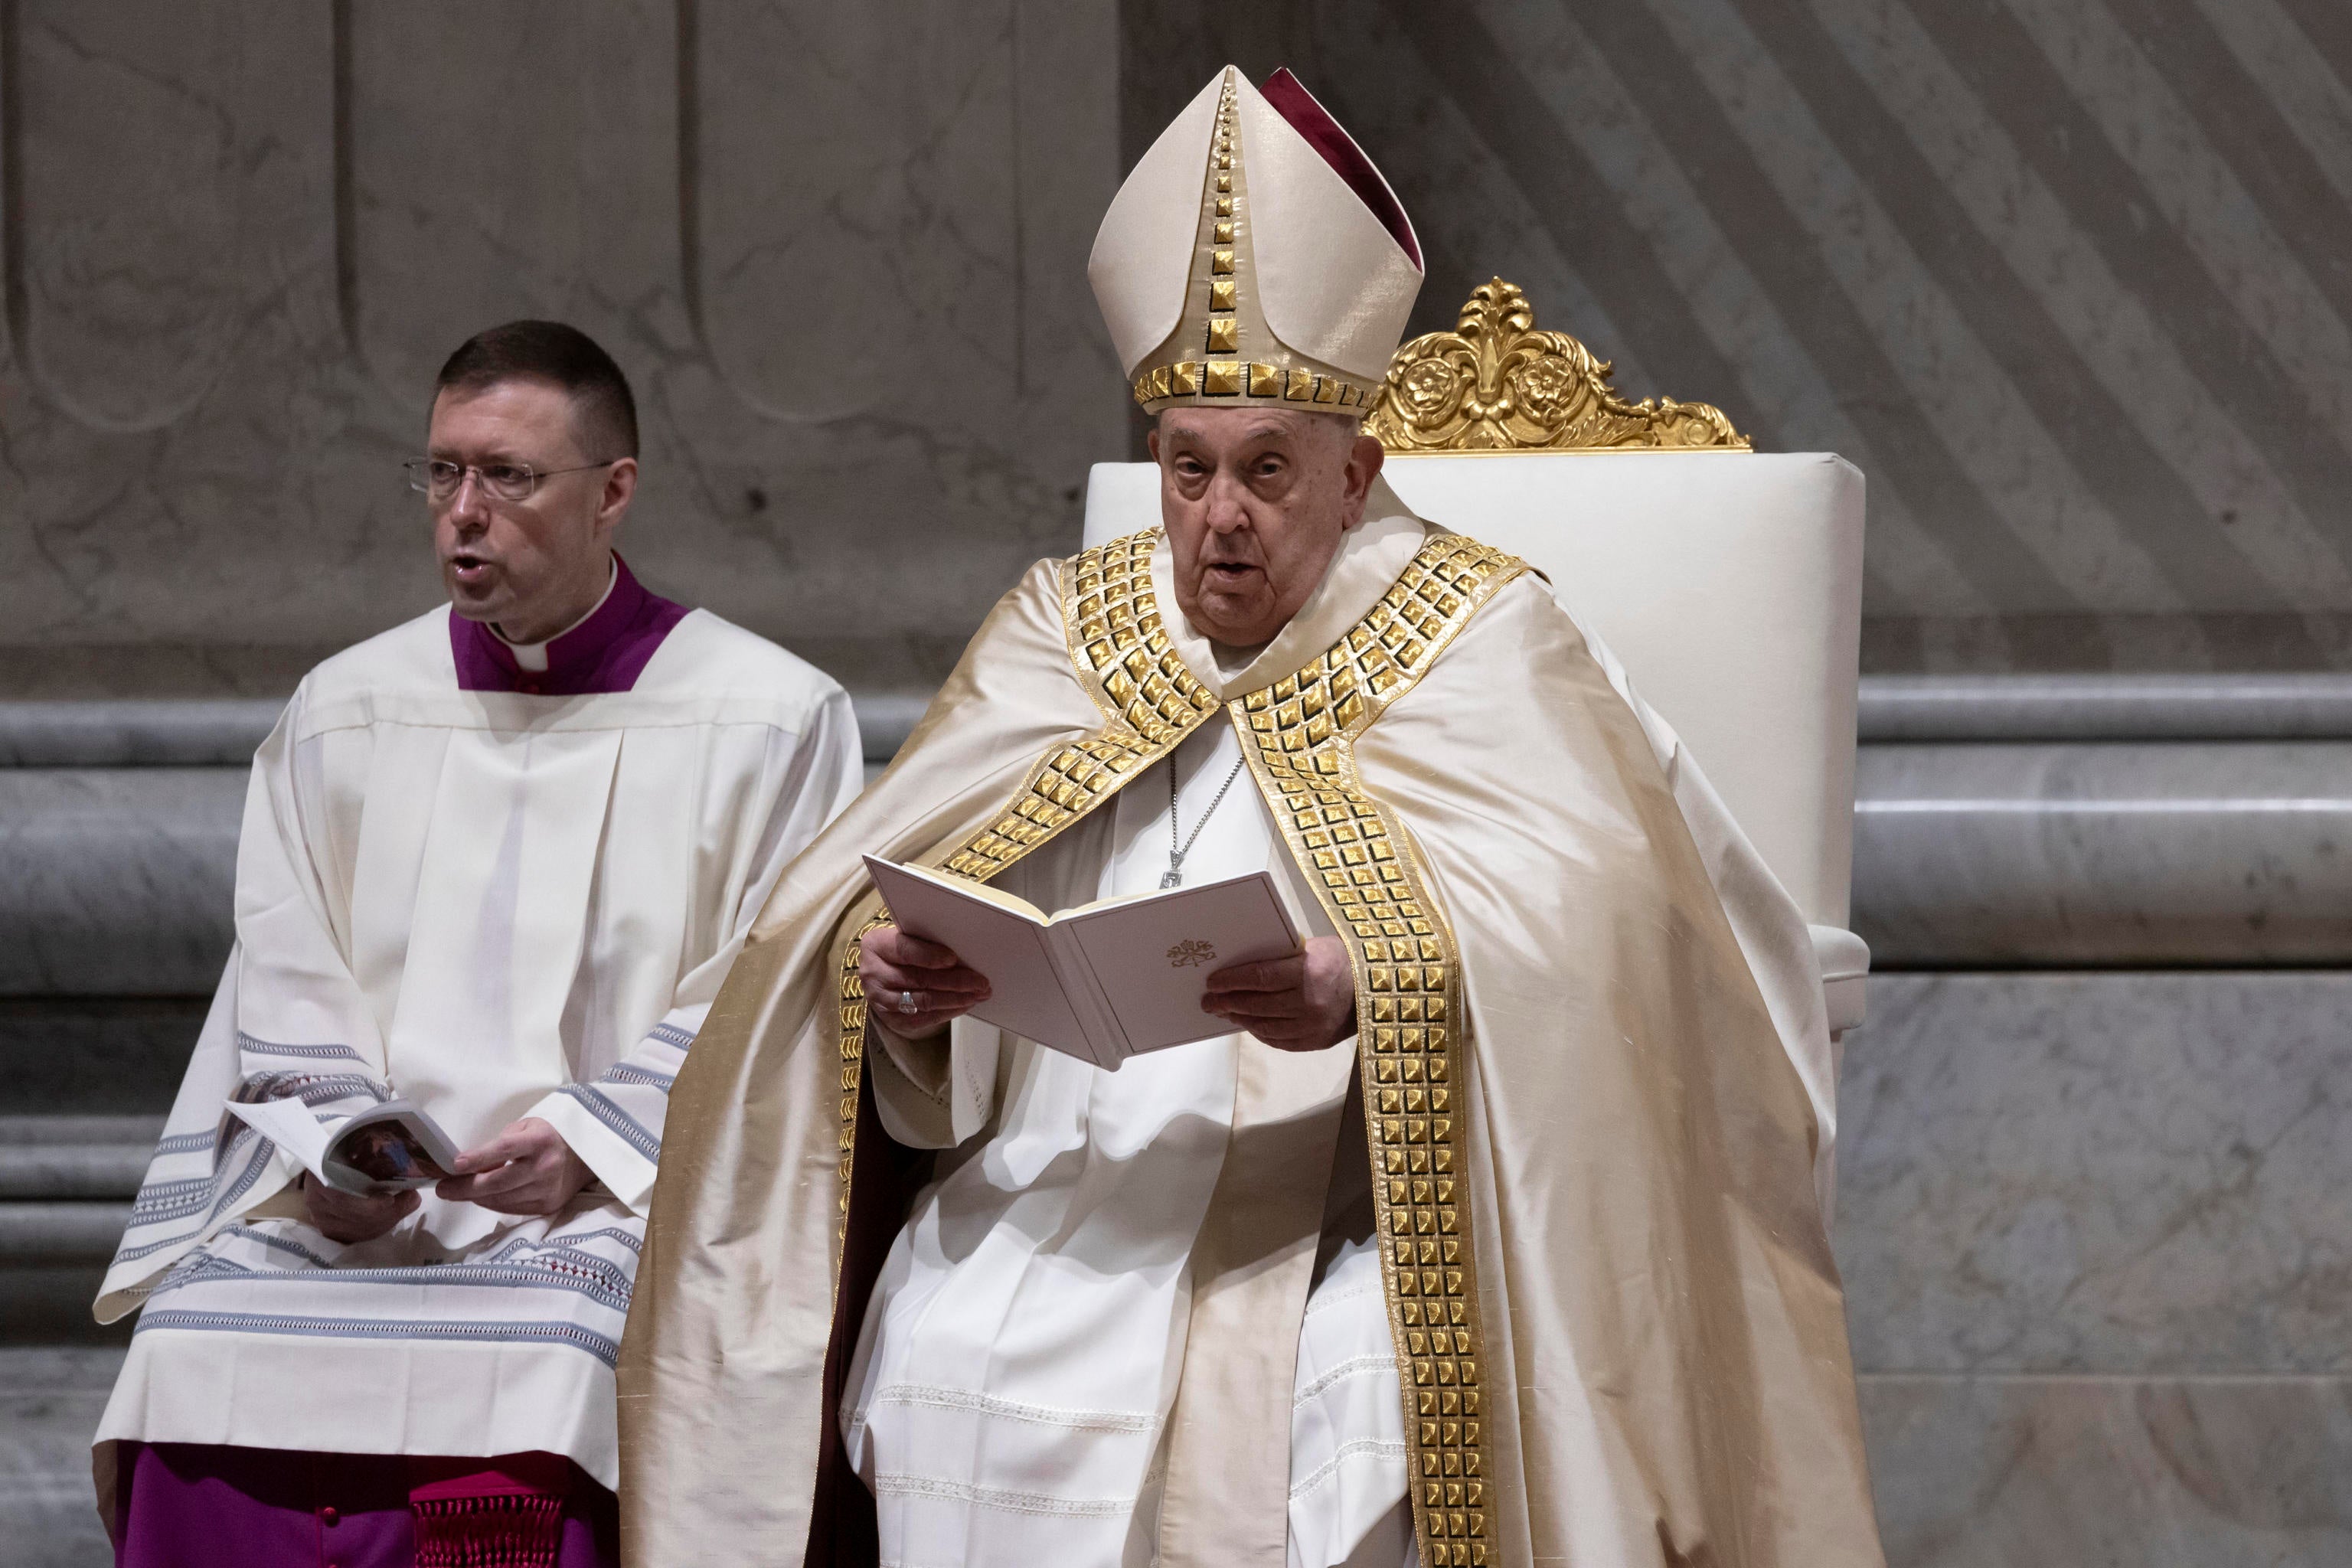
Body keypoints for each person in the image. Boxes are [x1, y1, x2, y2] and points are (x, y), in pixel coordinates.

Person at [622, 68, 1882, 1568]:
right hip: (1047, 1189)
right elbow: (848, 927)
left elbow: (1623, 939)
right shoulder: (1062, 628)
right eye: (1188, 470)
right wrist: (911, 999)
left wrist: (1375, 982)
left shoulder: (1479, 637)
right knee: (949, 1338)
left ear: (1353, 477)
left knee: (1347, 1389)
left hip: (1344, 1213)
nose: (1219, 516)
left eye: (1266, 473)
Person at [90, 321, 864, 1566]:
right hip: (366, 1209)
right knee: (192, 1339)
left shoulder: (768, 718)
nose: (463, 512)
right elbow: (286, 964)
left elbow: (773, 996)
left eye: (507, 476)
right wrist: (338, 1150)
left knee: (557, 1362)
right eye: (442, 472)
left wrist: (590, 1148)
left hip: (617, 1203)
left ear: (614, 491)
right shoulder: (347, 710)